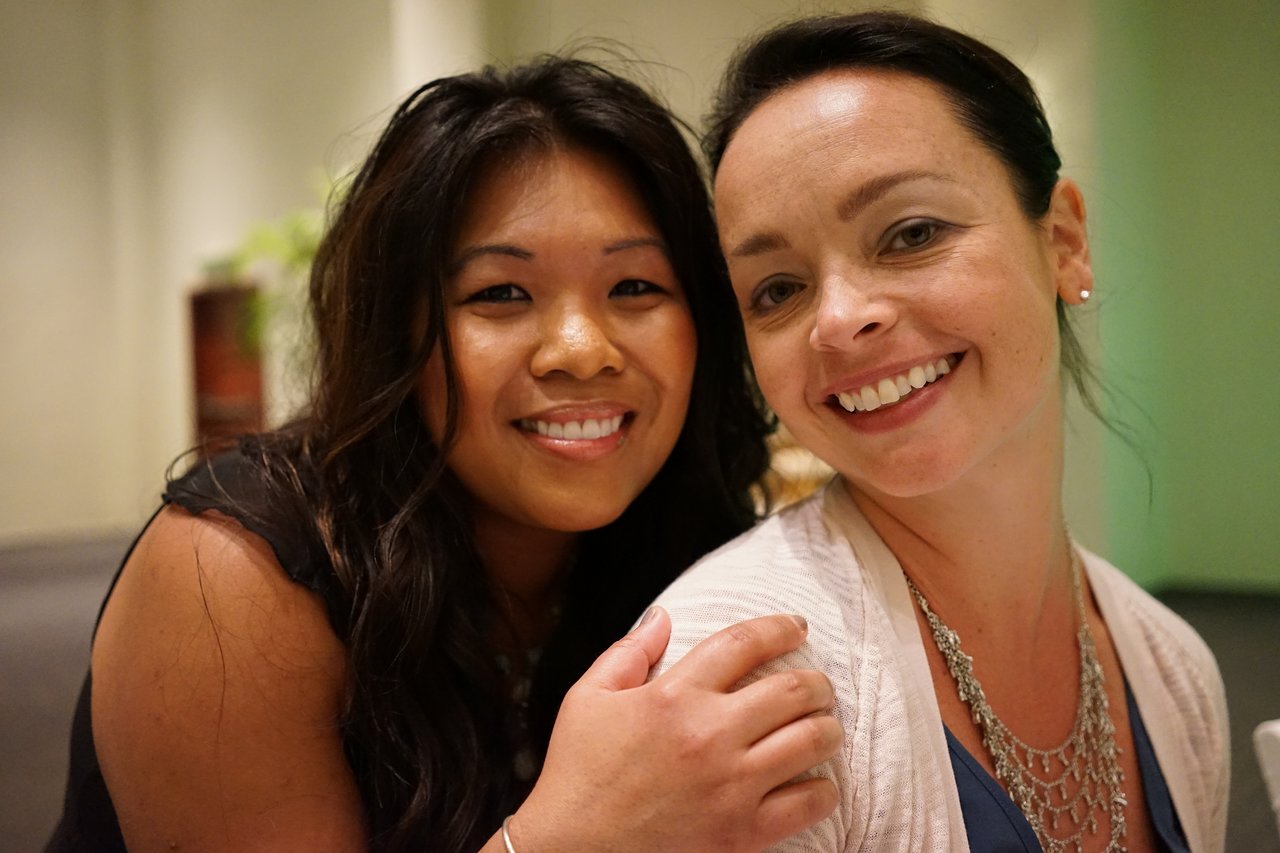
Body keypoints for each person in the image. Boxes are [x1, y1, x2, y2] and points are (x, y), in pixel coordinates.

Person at [47, 56, 843, 853]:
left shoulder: (685, 535)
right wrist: (575, 833)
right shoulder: (233, 573)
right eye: (501, 293)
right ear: (399, 337)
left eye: (635, 286)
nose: (581, 350)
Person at [649, 12, 1229, 853]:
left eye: (912, 233)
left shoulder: (1175, 667)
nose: (838, 320)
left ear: (1064, 242)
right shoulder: (743, 682)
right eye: (777, 289)